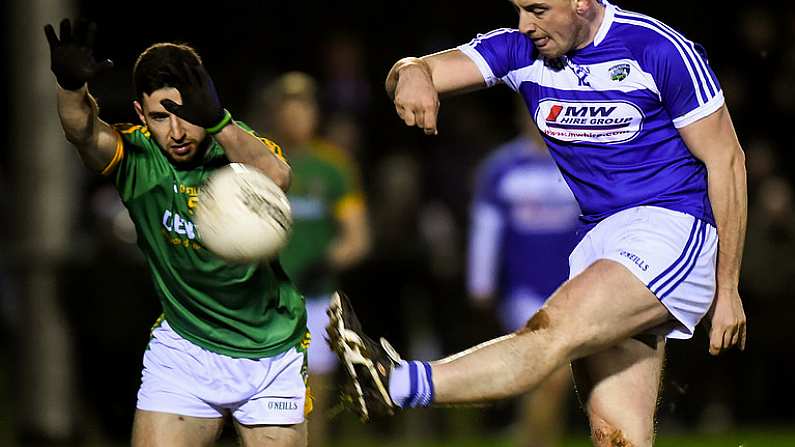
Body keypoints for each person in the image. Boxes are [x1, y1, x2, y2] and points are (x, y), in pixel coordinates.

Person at [326, 1, 747, 445]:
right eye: (520, 10)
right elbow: (419, 70)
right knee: (617, 437)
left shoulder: (657, 48)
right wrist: (411, 71)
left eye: (539, 10)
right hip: (599, 238)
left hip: (671, 229)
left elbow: (728, 161)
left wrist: (729, 289)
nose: (527, 25)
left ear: (581, 2)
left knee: (551, 331)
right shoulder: (519, 50)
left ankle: (396, 383)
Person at [45, 19, 309, 447]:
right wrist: (72, 88)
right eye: (160, 117)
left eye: (186, 114)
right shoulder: (137, 159)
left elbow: (276, 178)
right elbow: (83, 132)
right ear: (140, 114)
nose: (177, 131)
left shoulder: (237, 149)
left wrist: (219, 121)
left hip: (268, 351)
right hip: (186, 350)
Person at [250, 72, 371, 446]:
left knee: (313, 394)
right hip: (263, 297)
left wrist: (326, 260)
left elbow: (358, 239)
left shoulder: (333, 166)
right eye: (288, 106)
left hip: (316, 298)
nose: (297, 114)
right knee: (261, 396)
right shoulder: (254, 161)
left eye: (304, 105)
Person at [467, 103, 579, 447]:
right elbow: (485, 227)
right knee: (553, 376)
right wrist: (481, 281)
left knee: (552, 382)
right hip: (524, 290)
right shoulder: (501, 167)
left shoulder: (579, 160)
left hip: (574, 287)